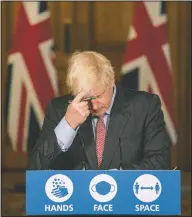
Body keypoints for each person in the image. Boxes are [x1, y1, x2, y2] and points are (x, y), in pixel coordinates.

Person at [29, 51, 171, 170]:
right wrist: (67, 125)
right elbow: (37, 166)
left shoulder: (145, 106)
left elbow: (160, 162)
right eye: (86, 99)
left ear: (111, 81)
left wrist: (117, 178)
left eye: (98, 96)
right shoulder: (59, 109)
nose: (94, 106)